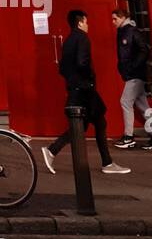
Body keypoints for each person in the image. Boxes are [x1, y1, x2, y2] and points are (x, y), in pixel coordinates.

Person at [41, 10, 130, 175]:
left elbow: (62, 68)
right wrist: (89, 77)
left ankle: (52, 150)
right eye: (86, 22)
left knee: (83, 126)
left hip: (75, 88)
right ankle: (107, 163)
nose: (88, 25)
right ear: (80, 23)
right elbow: (83, 62)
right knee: (97, 123)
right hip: (85, 89)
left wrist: (72, 79)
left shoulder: (67, 41)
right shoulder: (82, 38)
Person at [110, 9, 152, 150]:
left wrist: (132, 67)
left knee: (125, 102)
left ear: (123, 18)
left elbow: (144, 50)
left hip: (135, 75)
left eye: (115, 19)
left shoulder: (131, 31)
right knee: (143, 106)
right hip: (134, 74)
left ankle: (129, 137)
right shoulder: (123, 31)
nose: (113, 22)